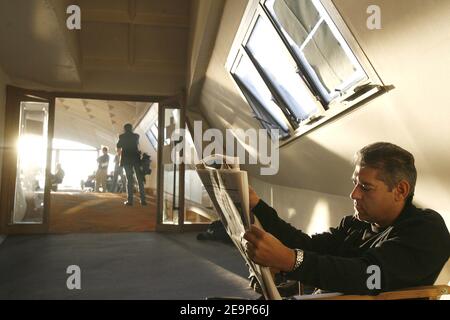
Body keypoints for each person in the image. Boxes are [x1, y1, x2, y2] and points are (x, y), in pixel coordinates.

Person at [244, 142, 450, 295]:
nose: (354, 194)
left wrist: (290, 260)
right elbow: (308, 245)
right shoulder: (358, 224)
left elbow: (368, 276)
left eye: (366, 187)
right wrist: (257, 205)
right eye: (355, 183)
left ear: (400, 190)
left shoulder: (425, 230)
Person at [116, 123, 147, 206]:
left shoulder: (122, 136)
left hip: (126, 160)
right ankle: (143, 200)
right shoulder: (136, 136)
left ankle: (130, 201)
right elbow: (137, 144)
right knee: (139, 179)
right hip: (136, 159)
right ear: (132, 129)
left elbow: (118, 146)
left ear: (124, 129)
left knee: (129, 180)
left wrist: (119, 155)